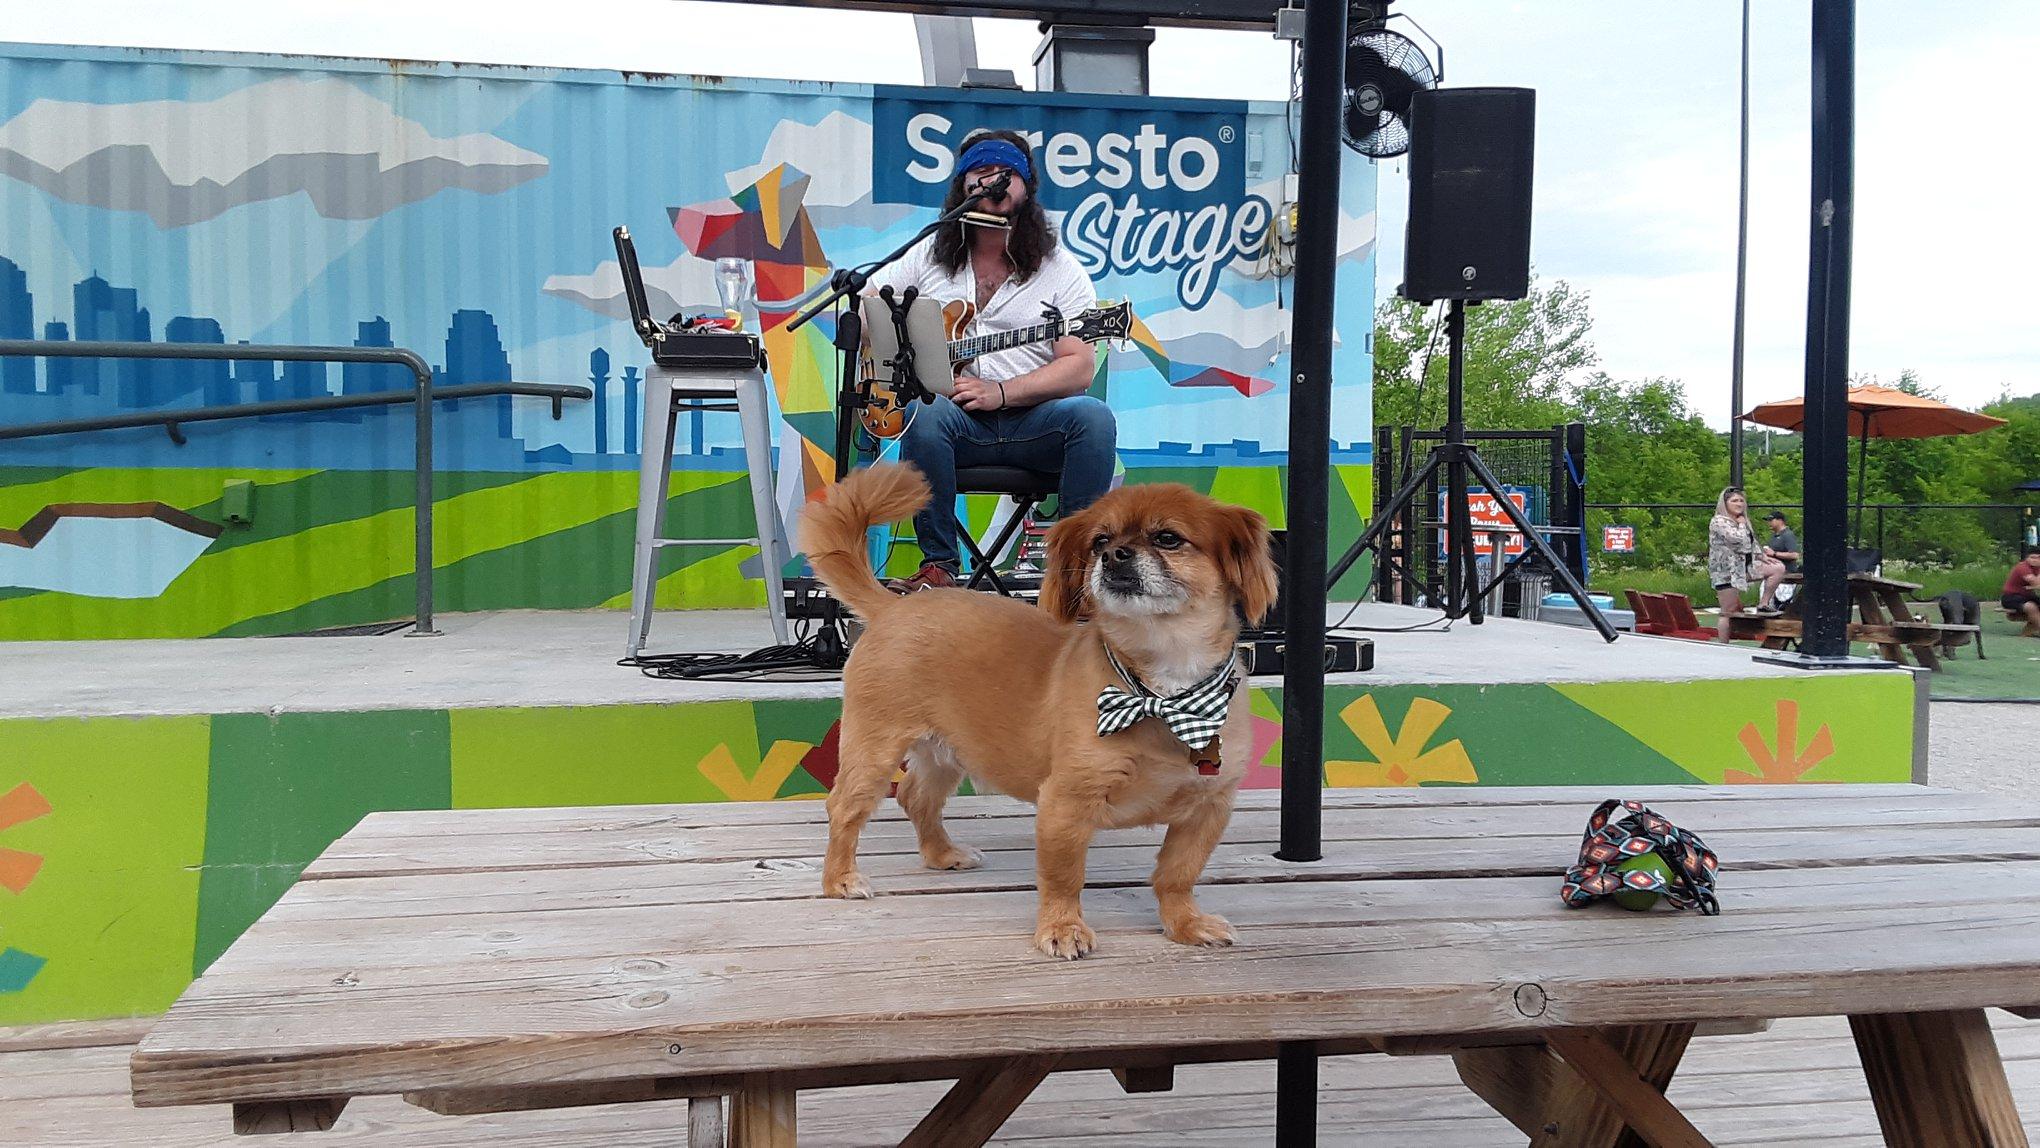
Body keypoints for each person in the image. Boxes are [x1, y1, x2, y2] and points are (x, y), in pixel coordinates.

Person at [866, 128, 1116, 593]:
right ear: (962, 189)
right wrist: (889, 357)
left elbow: (1079, 367)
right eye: (979, 174)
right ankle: (939, 566)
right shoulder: (930, 256)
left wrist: (1001, 392)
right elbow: (867, 305)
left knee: (1094, 417)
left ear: (1026, 187)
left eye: (1005, 174)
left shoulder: (1061, 269)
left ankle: (1076, 575)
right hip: (956, 426)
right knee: (925, 413)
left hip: (1035, 425)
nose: (992, 182)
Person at [1707, 486, 1786, 640]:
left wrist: (1762, 556)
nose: (1739, 504)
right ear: (1725, 503)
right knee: (1728, 611)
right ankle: (1723, 645)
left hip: (1745, 568)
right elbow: (1737, 540)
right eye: (1734, 501)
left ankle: (1763, 604)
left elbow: (1751, 542)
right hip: (1727, 572)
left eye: (1741, 500)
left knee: (1777, 568)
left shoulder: (1743, 520)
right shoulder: (1719, 521)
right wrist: (1742, 525)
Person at [2002, 548, 2040, 637]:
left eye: (2038, 558)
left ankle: (2027, 632)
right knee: (2031, 607)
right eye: (2033, 557)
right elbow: (2036, 583)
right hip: (2010, 597)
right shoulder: (2022, 567)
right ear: (2027, 558)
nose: (2035, 560)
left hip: (2027, 596)